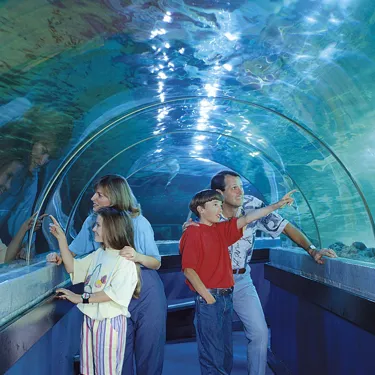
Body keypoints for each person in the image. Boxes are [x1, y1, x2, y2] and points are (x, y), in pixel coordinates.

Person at [184, 171, 337, 375]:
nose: (241, 192)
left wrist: (312, 250)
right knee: (216, 345)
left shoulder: (251, 205)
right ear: (218, 193)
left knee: (260, 333)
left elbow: (285, 226)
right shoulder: (206, 210)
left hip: (241, 279)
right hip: (212, 284)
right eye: (234, 188)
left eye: (241, 186)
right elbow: (190, 248)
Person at [47, 174, 167, 375]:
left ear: (115, 197)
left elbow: (156, 262)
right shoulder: (93, 222)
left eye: (100, 194)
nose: (93, 198)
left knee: (149, 350)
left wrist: (137, 256)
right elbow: (75, 253)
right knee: (120, 355)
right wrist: (61, 255)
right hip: (109, 291)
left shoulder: (139, 222)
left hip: (144, 288)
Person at [180, 188, 294, 375]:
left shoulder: (220, 230)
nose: (220, 208)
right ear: (201, 209)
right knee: (213, 356)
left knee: (225, 353)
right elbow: (189, 270)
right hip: (210, 298)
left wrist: (277, 205)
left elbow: (248, 218)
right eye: (215, 205)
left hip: (226, 296)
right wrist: (208, 297)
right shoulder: (193, 232)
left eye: (220, 204)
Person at [49, 208, 140, 375]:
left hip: (109, 322)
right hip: (90, 318)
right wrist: (61, 239)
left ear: (112, 228)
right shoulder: (99, 253)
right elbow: (72, 267)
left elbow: (111, 293)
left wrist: (80, 298)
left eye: (98, 225)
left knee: (107, 371)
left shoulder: (124, 261)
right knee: (88, 369)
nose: (93, 229)